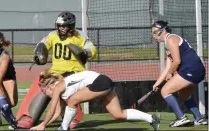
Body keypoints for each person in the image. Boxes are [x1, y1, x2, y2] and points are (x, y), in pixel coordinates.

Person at [16, 11, 97, 129]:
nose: (61, 28)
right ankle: (29, 116)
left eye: (64, 26)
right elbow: (43, 44)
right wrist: (39, 53)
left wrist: (86, 52)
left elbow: (91, 49)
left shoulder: (80, 36)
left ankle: (72, 116)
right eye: (59, 26)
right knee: (42, 82)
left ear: (71, 26)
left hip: (74, 73)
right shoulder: (52, 35)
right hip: (56, 72)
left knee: (62, 88)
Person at [29, 70, 160, 131]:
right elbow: (56, 113)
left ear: (49, 86)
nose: (43, 94)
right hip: (105, 82)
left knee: (73, 100)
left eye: (43, 91)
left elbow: (51, 108)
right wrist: (43, 125)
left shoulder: (58, 86)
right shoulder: (61, 92)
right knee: (118, 114)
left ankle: (64, 128)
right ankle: (152, 119)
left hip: (100, 82)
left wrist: (42, 125)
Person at [151, 20, 208, 127]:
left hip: (191, 69)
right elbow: (167, 68)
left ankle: (182, 118)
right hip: (197, 70)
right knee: (183, 93)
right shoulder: (168, 45)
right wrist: (157, 83)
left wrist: (170, 74)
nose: (153, 35)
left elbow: (177, 61)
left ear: (162, 31)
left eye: (155, 32)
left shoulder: (171, 39)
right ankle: (199, 118)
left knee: (165, 91)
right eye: (152, 33)